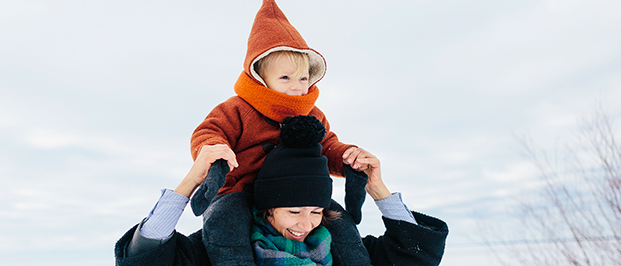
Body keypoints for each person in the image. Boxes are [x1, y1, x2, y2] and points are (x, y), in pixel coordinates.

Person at [114, 116, 449, 266]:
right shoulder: (213, 252)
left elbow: (415, 253)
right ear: (268, 209)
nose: (306, 224)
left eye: (315, 211)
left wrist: (377, 189)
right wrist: (190, 181)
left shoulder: (344, 251)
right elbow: (145, 256)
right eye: (293, 211)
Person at [188, 1, 374, 264]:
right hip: (240, 188)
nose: (297, 87)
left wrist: (347, 156)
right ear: (260, 78)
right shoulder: (237, 109)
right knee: (224, 220)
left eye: (303, 78)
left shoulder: (312, 114)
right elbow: (209, 131)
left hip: (296, 194)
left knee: (341, 224)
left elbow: (328, 145)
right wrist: (216, 148)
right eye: (285, 78)